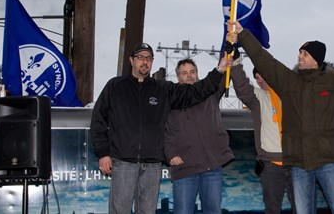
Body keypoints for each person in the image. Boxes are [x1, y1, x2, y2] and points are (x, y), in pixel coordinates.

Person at [228, 21, 334, 214]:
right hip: (298, 164)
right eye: (299, 52)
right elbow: (265, 61)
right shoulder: (288, 81)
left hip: (329, 160)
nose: (300, 56)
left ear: (316, 59)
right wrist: (243, 34)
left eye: (305, 54)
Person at [90, 42, 231, 214]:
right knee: (120, 210)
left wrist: (219, 70)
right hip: (123, 162)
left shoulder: (162, 88)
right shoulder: (115, 86)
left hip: (153, 164)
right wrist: (103, 153)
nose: (145, 62)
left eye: (148, 58)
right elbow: (98, 120)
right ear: (131, 60)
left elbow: (194, 92)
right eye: (140, 57)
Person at [164, 58, 234, 214]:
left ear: (197, 74)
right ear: (178, 77)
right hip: (184, 168)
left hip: (212, 167)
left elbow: (225, 68)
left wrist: (231, 44)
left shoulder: (211, 92)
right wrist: (170, 154)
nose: (189, 76)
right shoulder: (170, 100)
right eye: (184, 73)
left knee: (214, 211)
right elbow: (164, 132)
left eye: (192, 72)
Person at [230, 62, 296, 214]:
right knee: (272, 209)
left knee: (303, 207)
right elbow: (241, 86)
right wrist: (235, 62)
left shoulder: (290, 95)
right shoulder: (257, 97)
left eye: (262, 76)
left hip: (296, 163)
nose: (260, 80)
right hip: (271, 165)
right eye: (257, 78)